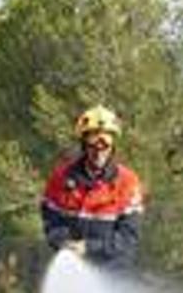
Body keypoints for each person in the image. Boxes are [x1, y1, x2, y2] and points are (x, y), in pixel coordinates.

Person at [41, 105, 147, 273]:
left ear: (113, 147)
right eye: (93, 145)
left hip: (113, 275)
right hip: (72, 271)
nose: (99, 152)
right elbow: (50, 221)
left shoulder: (128, 182)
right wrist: (64, 242)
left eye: (105, 145)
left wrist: (88, 247)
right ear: (83, 145)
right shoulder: (60, 178)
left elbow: (127, 239)